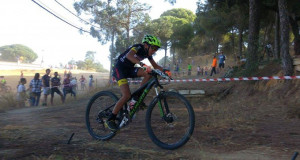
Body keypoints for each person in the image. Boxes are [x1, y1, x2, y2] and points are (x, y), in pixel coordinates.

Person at [105, 35, 164, 131]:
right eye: (153, 48)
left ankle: (137, 97)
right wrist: (142, 64)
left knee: (148, 74)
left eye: (156, 49)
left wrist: (165, 71)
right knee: (126, 95)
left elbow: (155, 66)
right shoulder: (138, 47)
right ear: (146, 45)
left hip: (130, 69)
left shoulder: (148, 54)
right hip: (119, 69)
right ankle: (110, 119)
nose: (154, 51)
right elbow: (129, 56)